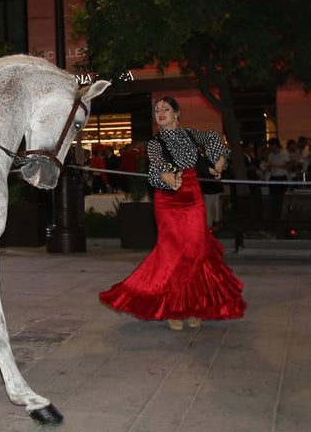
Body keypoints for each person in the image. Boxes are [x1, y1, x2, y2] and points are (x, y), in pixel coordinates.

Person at [99, 96, 246, 330]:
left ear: (177, 114)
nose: (161, 112)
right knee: (174, 252)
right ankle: (174, 308)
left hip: (193, 197)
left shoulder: (190, 134)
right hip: (168, 200)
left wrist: (219, 160)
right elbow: (156, 166)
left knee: (196, 251)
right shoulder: (156, 143)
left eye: (166, 109)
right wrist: (168, 177)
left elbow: (213, 139)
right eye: (157, 110)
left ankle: (194, 305)